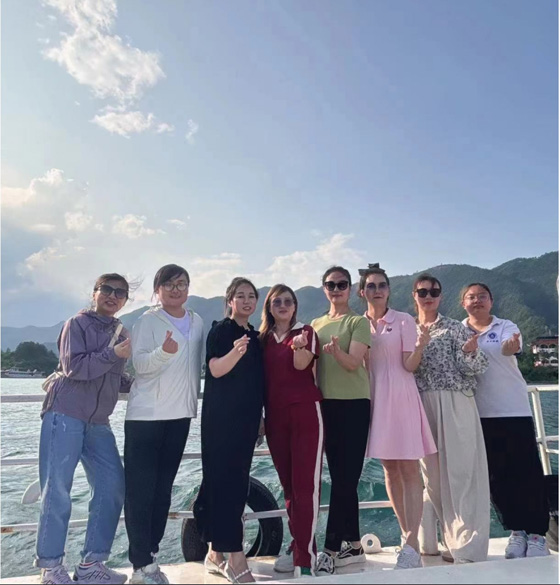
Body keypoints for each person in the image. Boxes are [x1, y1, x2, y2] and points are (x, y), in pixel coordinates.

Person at [35, 274, 133, 585]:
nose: (113, 296)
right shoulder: (76, 324)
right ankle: (51, 568)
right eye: (107, 289)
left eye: (120, 292)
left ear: (125, 300)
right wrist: (113, 354)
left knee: (112, 485)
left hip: (98, 422)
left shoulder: (121, 333)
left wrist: (143, 383)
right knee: (57, 489)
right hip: (64, 413)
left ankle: (92, 563)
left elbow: (113, 378)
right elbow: (73, 367)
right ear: (94, 293)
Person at [124, 265, 204, 584]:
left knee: (162, 491)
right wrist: (163, 353)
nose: (175, 289)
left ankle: (151, 557)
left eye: (181, 283)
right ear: (157, 290)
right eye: (168, 284)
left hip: (180, 415)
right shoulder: (147, 321)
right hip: (146, 417)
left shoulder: (197, 321)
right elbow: (140, 366)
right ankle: (139, 565)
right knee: (140, 493)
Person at [461, 283, 550, 559]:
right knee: (497, 477)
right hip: (480, 413)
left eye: (482, 296)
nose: (477, 301)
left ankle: (536, 534)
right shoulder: (459, 330)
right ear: (464, 303)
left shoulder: (505, 326)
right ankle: (516, 530)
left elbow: (512, 347)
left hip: (513, 409)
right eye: (471, 297)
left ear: (491, 301)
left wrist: (511, 347)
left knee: (527, 473)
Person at [359, 265, 437, 569]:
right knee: (390, 469)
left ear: (389, 290)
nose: (377, 290)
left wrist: (420, 347)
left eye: (382, 285)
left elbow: (409, 365)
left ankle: (412, 543)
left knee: (409, 469)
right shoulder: (358, 324)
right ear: (362, 292)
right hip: (375, 399)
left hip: (401, 398)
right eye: (371, 286)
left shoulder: (403, 319)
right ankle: (408, 538)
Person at [412, 274, 490, 563]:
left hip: (455, 400)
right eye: (423, 292)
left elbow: (477, 367)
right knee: (432, 478)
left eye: (434, 291)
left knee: (461, 473)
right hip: (422, 404)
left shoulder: (455, 328)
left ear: (441, 296)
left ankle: (467, 547)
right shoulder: (408, 329)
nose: (428, 296)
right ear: (414, 295)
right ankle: (450, 538)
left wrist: (470, 352)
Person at [194, 277, 265, 584]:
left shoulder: (256, 337)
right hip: (222, 421)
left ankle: (215, 553)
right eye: (240, 296)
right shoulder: (222, 331)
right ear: (230, 301)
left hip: (247, 421)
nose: (246, 301)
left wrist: (260, 417)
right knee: (228, 485)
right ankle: (235, 557)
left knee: (230, 483)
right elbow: (214, 369)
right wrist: (236, 352)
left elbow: (256, 383)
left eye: (251, 296)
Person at [310, 266, 371, 576]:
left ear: (350, 288)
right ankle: (355, 545)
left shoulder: (358, 322)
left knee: (346, 479)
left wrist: (335, 352)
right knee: (341, 478)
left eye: (342, 284)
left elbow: (354, 363)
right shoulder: (315, 324)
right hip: (326, 405)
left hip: (355, 404)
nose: (336, 289)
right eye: (331, 284)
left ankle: (331, 549)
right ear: (324, 288)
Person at [259, 285, 323, 578]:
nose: (283, 305)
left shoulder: (306, 332)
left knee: (305, 487)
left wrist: (298, 346)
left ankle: (305, 561)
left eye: (288, 301)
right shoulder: (263, 340)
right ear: (270, 307)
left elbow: (300, 365)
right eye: (277, 302)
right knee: (288, 488)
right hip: (275, 418)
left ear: (295, 306)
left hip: (306, 413)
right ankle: (299, 545)